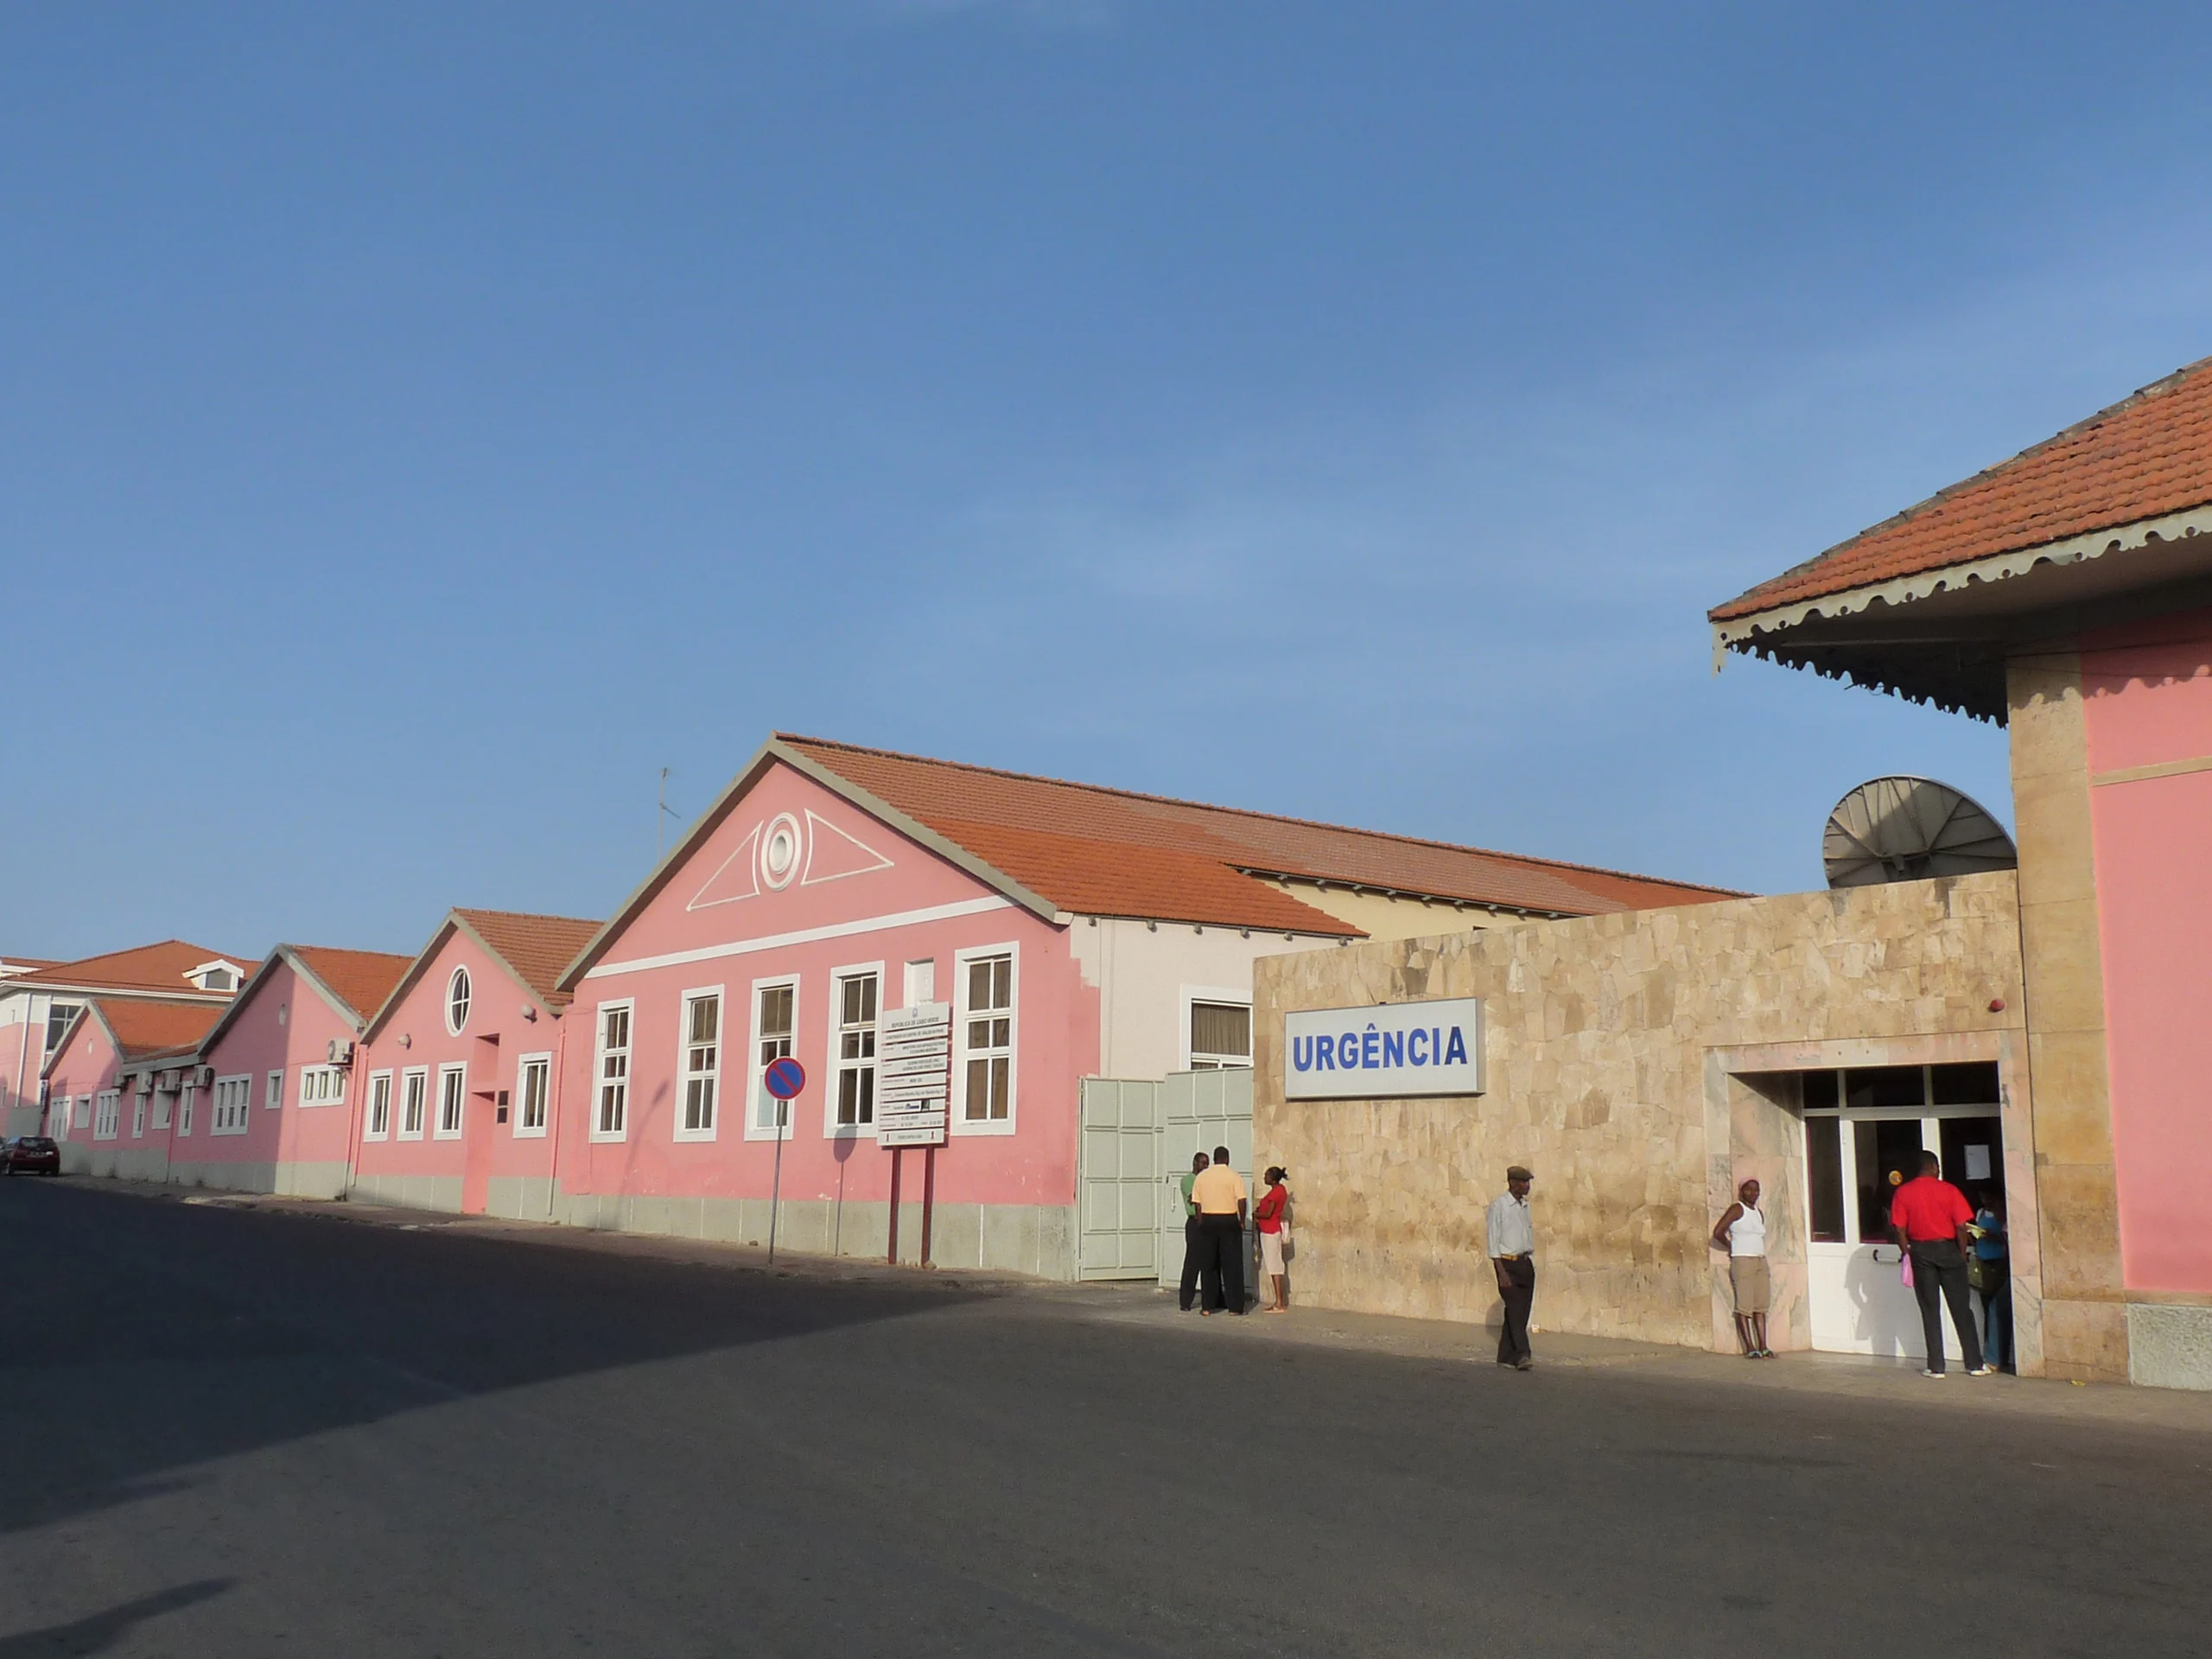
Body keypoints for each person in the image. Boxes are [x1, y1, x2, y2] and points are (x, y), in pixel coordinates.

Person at [1890, 1150, 1992, 1377]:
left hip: (1920, 1251)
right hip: (1948, 1250)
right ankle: (1974, 1364)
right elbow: (1961, 1226)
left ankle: (1936, 1366)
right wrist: (1961, 1253)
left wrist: (1907, 1253)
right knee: (1961, 1309)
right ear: (1934, 1167)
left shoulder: (1903, 1193)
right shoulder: (1949, 1190)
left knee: (1930, 1310)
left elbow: (1899, 1229)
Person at [1710, 1177, 1771, 1358]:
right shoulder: (1737, 1209)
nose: (1753, 1193)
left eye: (1756, 1190)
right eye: (1749, 1189)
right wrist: (1731, 1247)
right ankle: (1750, 1347)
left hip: (1760, 1260)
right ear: (1742, 1191)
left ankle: (1763, 1345)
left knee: (1761, 1305)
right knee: (1744, 1306)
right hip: (1742, 1260)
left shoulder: (1758, 1212)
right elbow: (1718, 1232)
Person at [1487, 1165, 1536, 1370]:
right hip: (1507, 1264)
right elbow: (1493, 1242)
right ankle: (1523, 1354)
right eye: (1524, 1182)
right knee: (1515, 1310)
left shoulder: (1525, 1207)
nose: (1527, 1186)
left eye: (1528, 1182)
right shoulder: (1499, 1206)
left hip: (1525, 1263)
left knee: (1520, 1312)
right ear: (1513, 1183)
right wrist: (1501, 1273)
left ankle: (1505, 1355)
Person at [1191, 1146, 1249, 1315]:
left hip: (1208, 1220)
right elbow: (1242, 1200)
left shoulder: (1202, 1177)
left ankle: (1208, 1306)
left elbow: (1197, 1204)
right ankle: (1235, 1307)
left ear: (1214, 1159)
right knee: (1232, 1265)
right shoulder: (1234, 1176)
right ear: (1227, 1159)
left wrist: (1201, 1223)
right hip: (1228, 1220)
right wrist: (1242, 1221)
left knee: (1208, 1265)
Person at [1971, 1186, 2012, 1373]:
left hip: (1999, 1264)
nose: (1986, 1202)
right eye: (1983, 1198)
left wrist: (1993, 1236)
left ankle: (1995, 1357)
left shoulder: (2003, 1214)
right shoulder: (1980, 1213)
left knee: (1996, 1309)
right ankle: (1992, 1353)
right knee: (1988, 1309)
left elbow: (2007, 1241)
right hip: (1984, 1263)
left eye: (1989, 1198)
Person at [1255, 1166, 1291, 1313]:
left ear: (1273, 1178)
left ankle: (1279, 1302)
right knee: (1275, 1265)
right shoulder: (1280, 1190)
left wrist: (1256, 1214)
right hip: (1269, 1230)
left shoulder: (1276, 1193)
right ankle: (1279, 1301)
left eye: (1267, 1175)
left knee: (1274, 1266)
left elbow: (1269, 1213)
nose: (1264, 1177)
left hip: (1270, 1231)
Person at [1177, 1151, 1210, 1312]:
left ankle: (1211, 1299)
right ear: (1195, 1163)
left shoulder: (1207, 1180)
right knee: (1192, 1262)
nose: (1206, 1166)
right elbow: (1193, 1199)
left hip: (1208, 1221)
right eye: (1204, 1163)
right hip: (1195, 1222)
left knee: (1209, 1263)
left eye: (1207, 1164)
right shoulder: (1187, 1180)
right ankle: (1185, 1301)